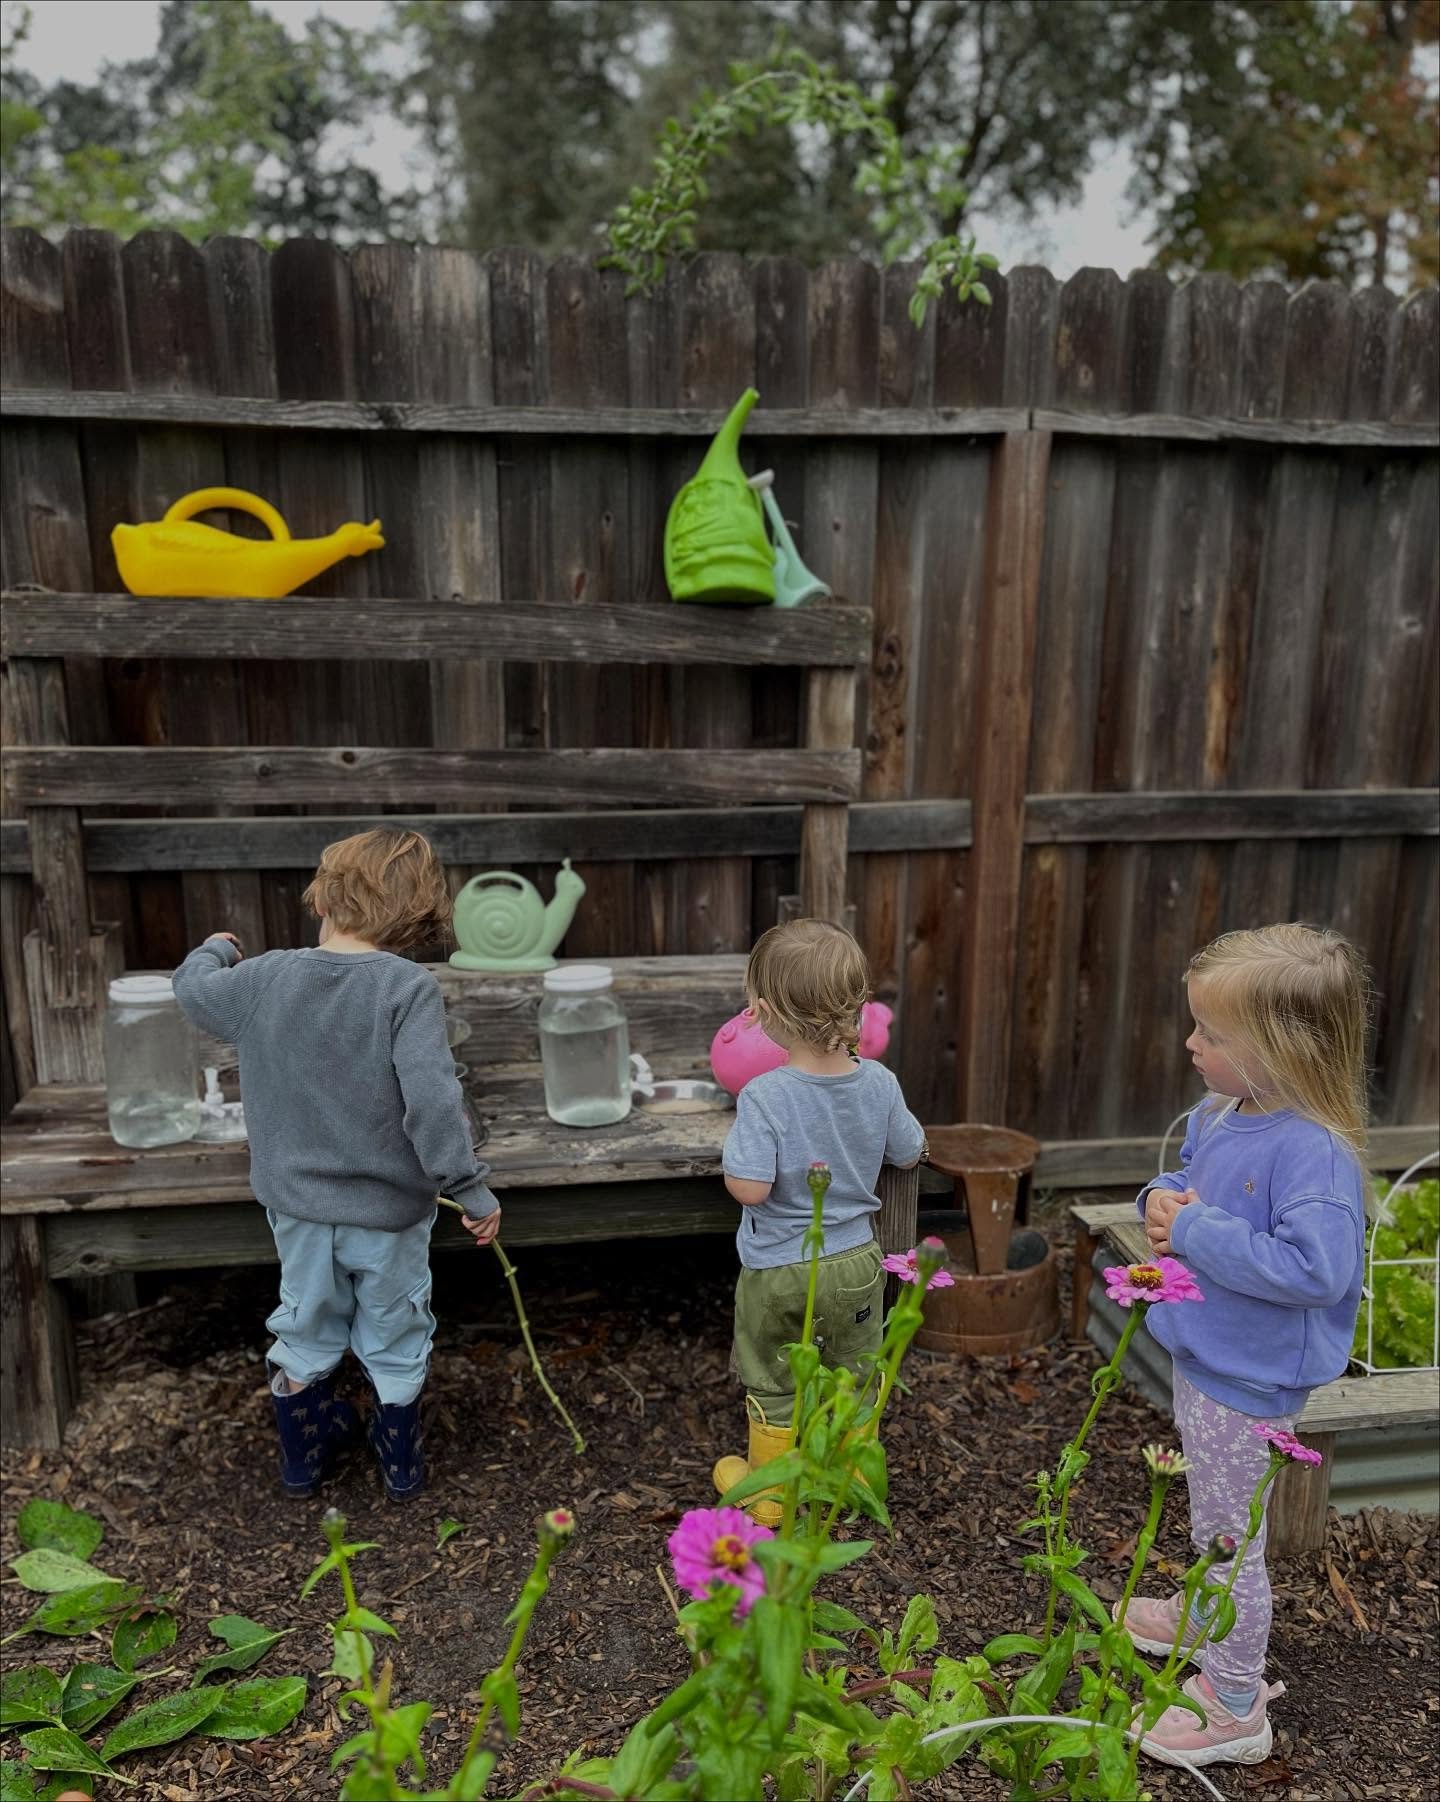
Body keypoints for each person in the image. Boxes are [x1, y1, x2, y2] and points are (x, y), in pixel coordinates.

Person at [173, 827, 500, 1503]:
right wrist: (470, 1190)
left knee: (304, 1322)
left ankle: (303, 1460)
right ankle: (400, 1464)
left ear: (324, 897)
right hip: (388, 1216)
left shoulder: (263, 978)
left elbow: (192, 989)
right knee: (396, 1327)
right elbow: (434, 1104)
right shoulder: (407, 989)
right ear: (418, 914)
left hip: (296, 1208)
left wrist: (215, 949)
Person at [1128, 923, 1371, 1769]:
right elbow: (1188, 1177)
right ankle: (1203, 1620)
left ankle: (1234, 1700)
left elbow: (1316, 1272)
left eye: (1211, 1034)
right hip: (1210, 1355)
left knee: (1233, 1542)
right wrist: (1164, 1199)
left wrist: (1194, 1230)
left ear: (1280, 1048)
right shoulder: (1226, 1111)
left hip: (1252, 1378)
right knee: (1214, 1520)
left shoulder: (1317, 1158)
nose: (1191, 1043)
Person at [711, 919, 925, 1522]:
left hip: (780, 1266)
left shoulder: (763, 1095)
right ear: (858, 1007)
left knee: (774, 1375)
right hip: (857, 1260)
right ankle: (849, 1478)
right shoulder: (879, 1082)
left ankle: (770, 1492)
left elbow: (749, 1189)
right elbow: (909, 1151)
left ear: (765, 1011)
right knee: (854, 1373)